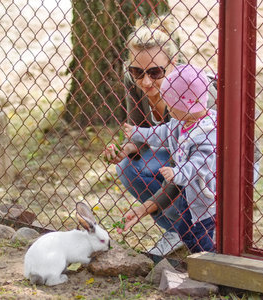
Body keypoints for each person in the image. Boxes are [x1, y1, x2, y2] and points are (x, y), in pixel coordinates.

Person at [102, 14, 217, 256]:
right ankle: (177, 232)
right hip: (180, 155)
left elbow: (185, 170)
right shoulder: (134, 82)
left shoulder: (192, 94)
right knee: (127, 166)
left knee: (176, 179)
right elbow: (139, 132)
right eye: (137, 71)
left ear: (173, 63)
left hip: (210, 162)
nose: (145, 81)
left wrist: (147, 207)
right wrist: (126, 149)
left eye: (155, 72)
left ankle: (201, 231)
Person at [122, 64, 217, 253]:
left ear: (188, 106)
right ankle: (198, 256)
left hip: (203, 199)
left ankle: (209, 262)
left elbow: (199, 164)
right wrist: (137, 132)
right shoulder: (182, 121)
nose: (169, 112)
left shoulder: (206, 133)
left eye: (173, 108)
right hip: (187, 194)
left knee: (197, 234)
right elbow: (161, 132)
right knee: (185, 230)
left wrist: (177, 172)